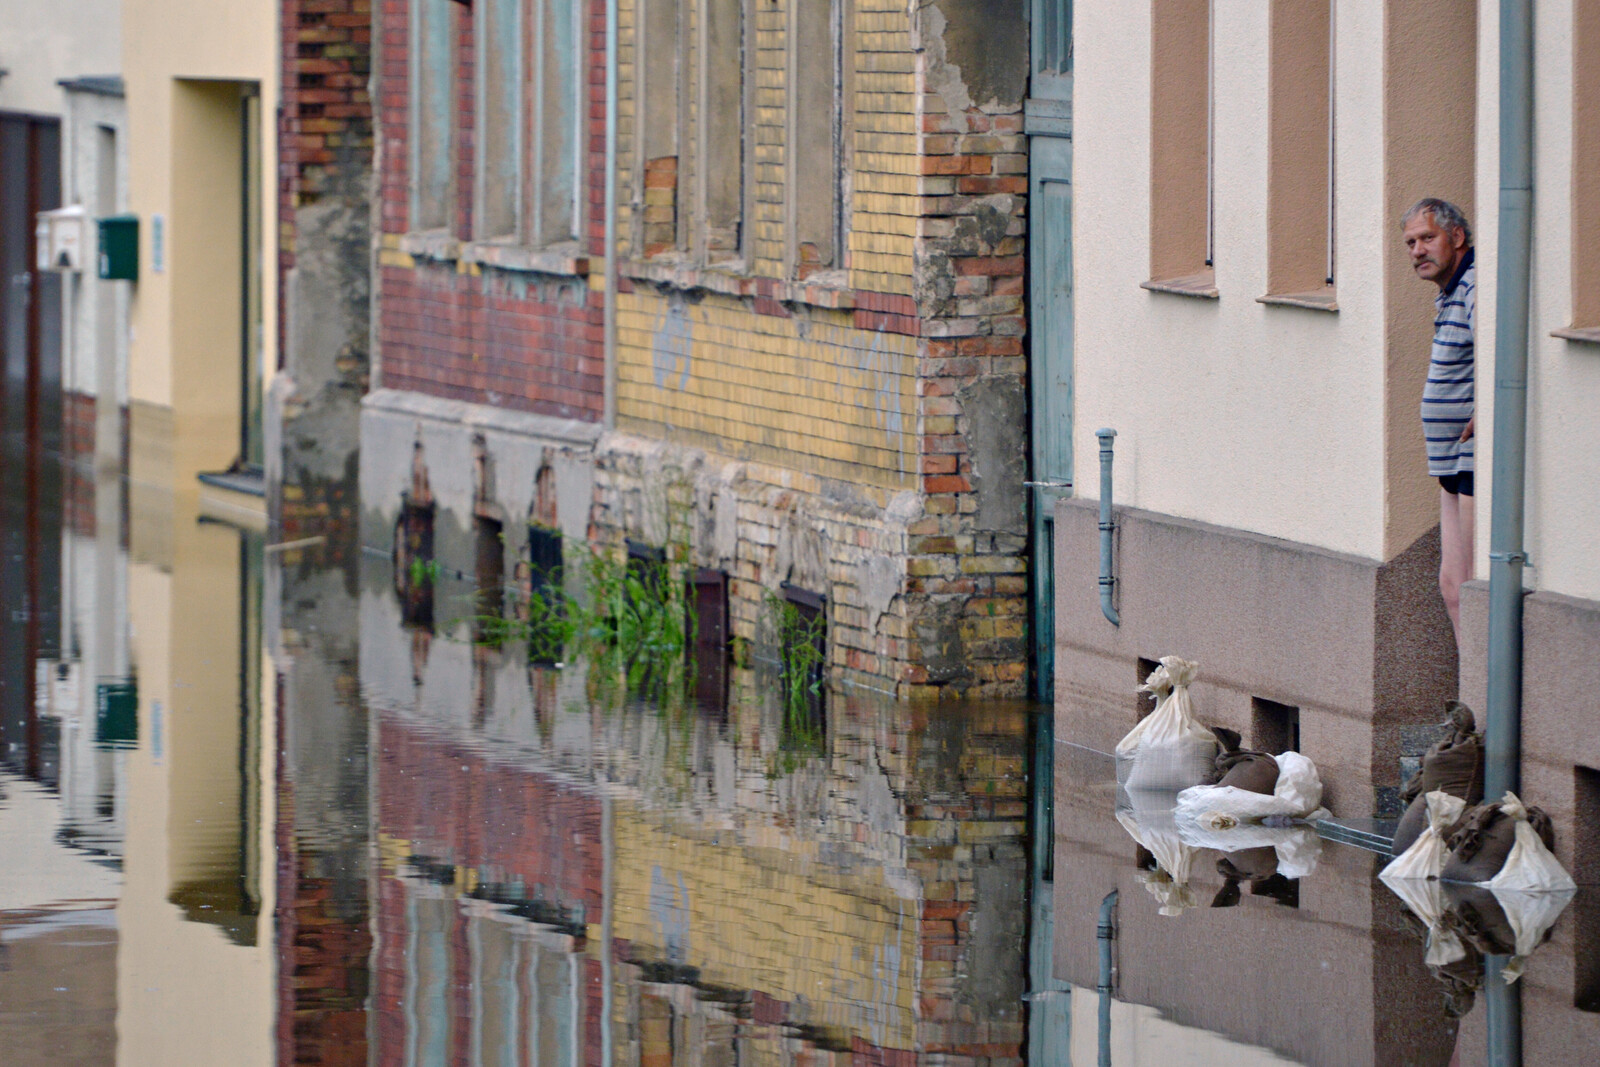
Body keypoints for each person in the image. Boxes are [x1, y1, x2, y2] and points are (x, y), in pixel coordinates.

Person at [1403, 197, 1475, 642]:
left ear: (1457, 237)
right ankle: (1470, 696)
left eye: (1427, 238)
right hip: (1447, 462)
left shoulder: (1475, 286)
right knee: (1452, 587)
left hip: (1471, 461)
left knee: (1469, 587)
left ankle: (1485, 704)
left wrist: (1488, 408)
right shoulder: (1450, 293)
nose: (1417, 250)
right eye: (1410, 242)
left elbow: (1500, 352)